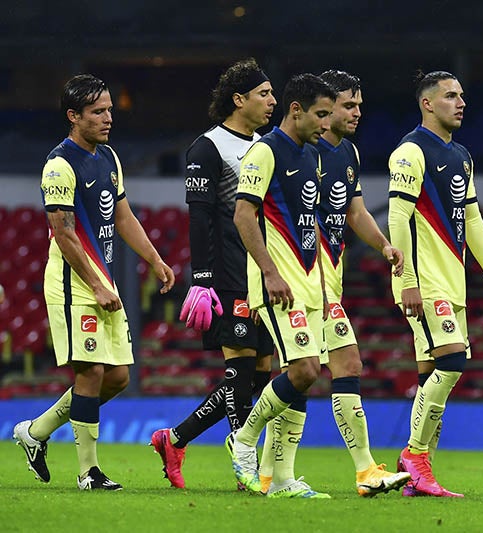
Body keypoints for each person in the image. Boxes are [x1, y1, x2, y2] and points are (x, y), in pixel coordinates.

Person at [13, 74, 175, 490]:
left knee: (117, 378)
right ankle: (89, 473)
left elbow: (123, 217)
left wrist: (155, 260)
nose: (108, 118)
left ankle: (35, 432)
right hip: (73, 284)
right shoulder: (59, 165)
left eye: (109, 110)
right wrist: (98, 286)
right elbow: (64, 233)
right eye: (97, 111)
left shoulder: (109, 158)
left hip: (103, 282)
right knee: (91, 372)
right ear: (73, 116)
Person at [257, 70, 411, 498]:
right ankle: (360, 470)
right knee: (331, 367)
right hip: (301, 280)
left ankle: (272, 473)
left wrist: (383, 245)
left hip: (329, 280)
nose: (356, 112)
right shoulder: (300, 152)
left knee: (315, 371)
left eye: (358, 104)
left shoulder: (348, 154)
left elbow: (354, 212)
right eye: (348, 105)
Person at [387, 71, 483, 497]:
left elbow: (474, 220)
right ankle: (414, 456)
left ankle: (416, 478)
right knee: (452, 361)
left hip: (452, 282)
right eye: (449, 96)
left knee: (432, 379)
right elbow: (397, 218)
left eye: (462, 95)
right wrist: (407, 280)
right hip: (423, 282)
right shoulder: (410, 152)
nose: (460, 102)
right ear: (427, 103)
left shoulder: (461, 155)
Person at [149, 58, 277, 489]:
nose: (272, 101)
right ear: (238, 99)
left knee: (263, 374)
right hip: (226, 274)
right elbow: (199, 219)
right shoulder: (208, 148)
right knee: (240, 371)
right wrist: (202, 280)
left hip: (261, 273)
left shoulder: (265, 146)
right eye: (264, 93)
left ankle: (176, 438)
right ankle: (245, 470)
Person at [226, 73, 336, 498]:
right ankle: (244, 439)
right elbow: (242, 216)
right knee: (304, 369)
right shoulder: (263, 151)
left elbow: (313, 226)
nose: (326, 124)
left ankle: (284, 479)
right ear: (296, 109)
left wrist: (324, 286)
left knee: (305, 376)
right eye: (320, 114)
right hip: (278, 284)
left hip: (309, 284)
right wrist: (270, 273)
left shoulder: (313, 155)